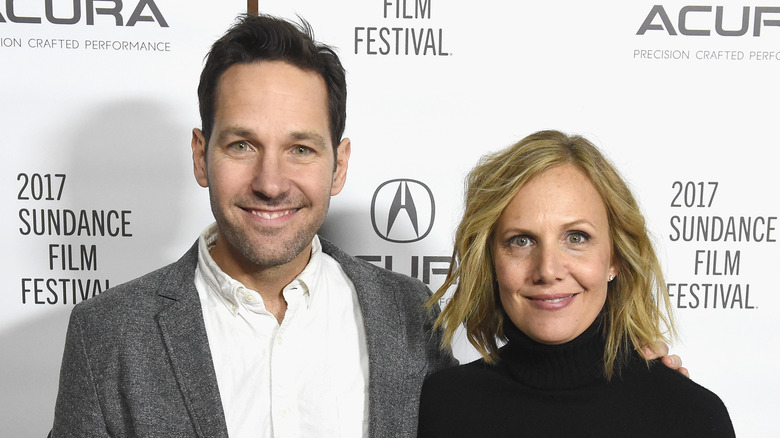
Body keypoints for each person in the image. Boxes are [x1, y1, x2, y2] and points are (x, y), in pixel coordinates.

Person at [50, 14, 455, 438]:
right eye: (242, 145)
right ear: (200, 155)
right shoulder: (106, 334)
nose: (270, 184)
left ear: (339, 166)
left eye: (300, 149)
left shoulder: (410, 312)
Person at [417, 130, 734, 437]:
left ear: (615, 258)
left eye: (576, 237)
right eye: (521, 240)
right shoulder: (444, 404)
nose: (548, 270)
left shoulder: (691, 415)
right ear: (491, 261)